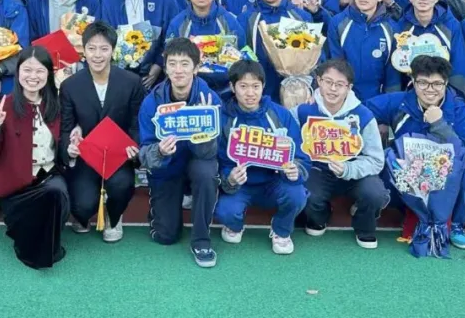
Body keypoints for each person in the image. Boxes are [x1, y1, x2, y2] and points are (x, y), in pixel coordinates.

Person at [0, 46, 69, 269]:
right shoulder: (4, 105)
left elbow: (64, 146)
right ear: (18, 73)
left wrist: (73, 146)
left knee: (56, 193)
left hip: (48, 177)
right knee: (27, 236)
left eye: (40, 71)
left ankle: (49, 244)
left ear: (48, 74)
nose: (33, 76)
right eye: (27, 70)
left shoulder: (56, 104)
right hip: (15, 185)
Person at [367, 55, 465, 249]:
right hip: (408, 171)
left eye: (437, 84)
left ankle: (456, 224)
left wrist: (439, 123)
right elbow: (362, 110)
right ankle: (386, 206)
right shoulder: (400, 102)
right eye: (423, 83)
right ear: (413, 81)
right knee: (387, 157)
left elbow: (462, 150)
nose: (430, 89)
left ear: (446, 83)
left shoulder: (458, 108)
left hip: (443, 171)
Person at [138, 38, 222, 268]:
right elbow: (144, 153)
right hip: (168, 168)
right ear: (165, 68)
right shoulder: (152, 103)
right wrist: (160, 151)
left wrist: (203, 135)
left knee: (206, 172)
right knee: (165, 236)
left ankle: (201, 239)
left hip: (198, 161)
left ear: (196, 68)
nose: (178, 70)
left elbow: (212, 153)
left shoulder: (210, 100)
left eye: (185, 64)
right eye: (172, 64)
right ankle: (163, 210)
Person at [215, 60, 309, 255]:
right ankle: (235, 225)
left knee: (297, 194)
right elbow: (219, 160)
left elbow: (300, 155)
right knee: (225, 211)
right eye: (243, 86)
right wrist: (230, 178)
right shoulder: (223, 118)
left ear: (263, 86)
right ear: (232, 87)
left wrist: (295, 170)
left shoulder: (280, 114)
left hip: (274, 182)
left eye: (255, 86)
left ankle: (281, 230)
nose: (250, 93)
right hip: (242, 185)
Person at [60, 22, 144, 240]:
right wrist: (69, 147)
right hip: (86, 156)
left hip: (118, 154)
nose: (97, 55)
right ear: (84, 50)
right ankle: (82, 214)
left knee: (122, 185)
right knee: (82, 205)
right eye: (92, 48)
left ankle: (114, 216)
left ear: (113, 50)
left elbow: (136, 123)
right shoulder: (70, 86)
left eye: (104, 48)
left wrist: (134, 147)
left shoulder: (132, 82)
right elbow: (66, 128)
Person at [297, 59, 389, 249]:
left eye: (340, 84)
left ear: (349, 87)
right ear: (318, 81)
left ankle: (364, 227)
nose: (333, 89)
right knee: (305, 193)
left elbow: (376, 160)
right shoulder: (303, 110)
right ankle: (320, 216)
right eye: (328, 82)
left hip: (354, 171)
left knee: (375, 193)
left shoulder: (363, 115)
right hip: (318, 170)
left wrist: (348, 168)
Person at [166, 0, 248, 99]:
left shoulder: (230, 22)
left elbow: (243, 59)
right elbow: (170, 62)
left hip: (226, 93)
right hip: (189, 93)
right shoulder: (178, 24)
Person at [240, 0, 314, 101]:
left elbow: (312, 58)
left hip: (295, 96)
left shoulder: (301, 17)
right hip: (258, 96)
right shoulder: (246, 19)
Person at [323, 0, 399, 100]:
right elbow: (336, 64)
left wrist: (388, 104)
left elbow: (392, 75)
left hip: (379, 100)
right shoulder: (338, 23)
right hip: (345, 98)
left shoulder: (391, 28)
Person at [391, 0, 465, 98]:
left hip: (443, 93)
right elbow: (394, 67)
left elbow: (459, 64)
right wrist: (396, 98)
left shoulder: (451, 25)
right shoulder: (400, 27)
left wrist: (456, 98)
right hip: (409, 94)